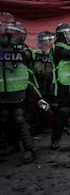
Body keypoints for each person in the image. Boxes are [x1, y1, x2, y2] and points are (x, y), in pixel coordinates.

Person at [0, 21, 37, 163]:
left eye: (15, 35)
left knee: (19, 118)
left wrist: (16, 49)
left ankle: (29, 149)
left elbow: (28, 57)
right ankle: (12, 145)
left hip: (18, 90)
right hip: (3, 89)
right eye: (9, 35)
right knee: (4, 117)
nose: (12, 38)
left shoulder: (23, 49)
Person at [31, 31, 57, 134]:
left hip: (53, 84)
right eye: (42, 42)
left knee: (55, 106)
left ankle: (57, 127)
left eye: (47, 42)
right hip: (40, 84)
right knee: (41, 106)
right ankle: (40, 127)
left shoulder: (56, 53)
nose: (44, 45)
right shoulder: (35, 53)